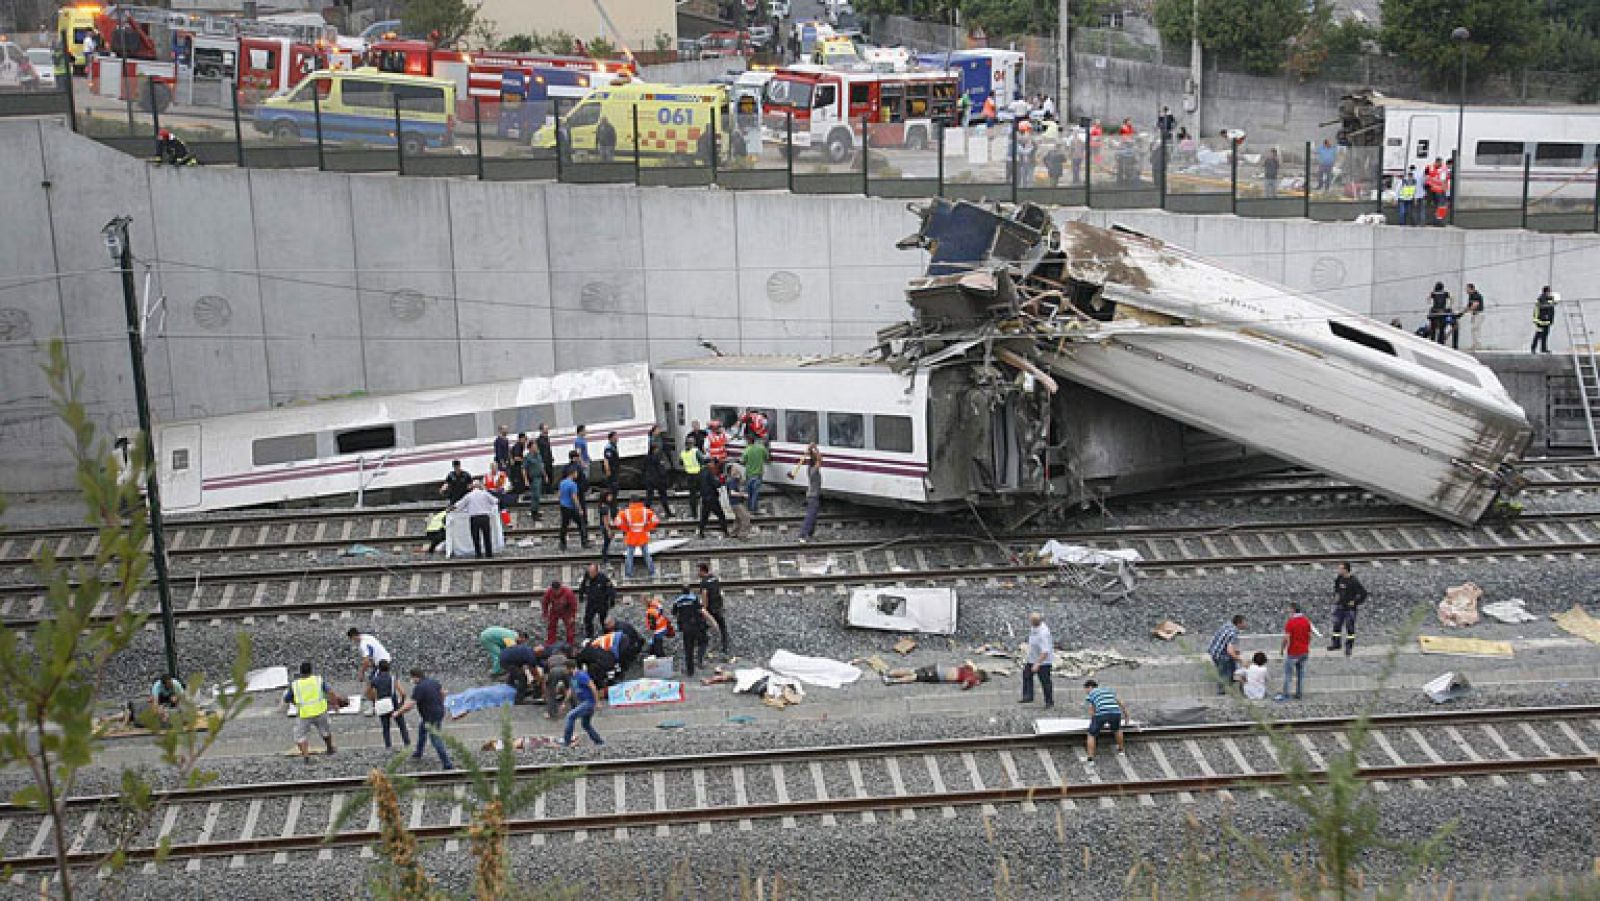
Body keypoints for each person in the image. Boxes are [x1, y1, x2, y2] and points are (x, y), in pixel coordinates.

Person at [396, 668, 452, 769]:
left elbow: (410, 705)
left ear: (415, 677)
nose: (411, 680)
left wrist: (398, 712)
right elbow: (443, 693)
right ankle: (418, 752)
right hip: (438, 712)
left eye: (412, 678)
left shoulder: (419, 688)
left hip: (430, 716)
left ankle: (447, 764)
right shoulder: (434, 682)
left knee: (435, 739)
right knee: (422, 729)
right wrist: (440, 704)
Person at [282, 661, 337, 762]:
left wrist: (295, 702)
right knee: (325, 731)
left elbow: (287, 698)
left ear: (300, 672)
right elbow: (330, 692)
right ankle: (330, 748)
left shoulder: (295, 685)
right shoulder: (318, 680)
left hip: (304, 714)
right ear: (311, 671)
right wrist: (335, 704)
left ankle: (306, 756)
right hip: (320, 711)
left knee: (300, 736)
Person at [561, 661, 605, 748]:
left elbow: (593, 687)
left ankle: (567, 742)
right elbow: (571, 690)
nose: (565, 671)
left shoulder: (581, 675)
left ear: (570, 668)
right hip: (584, 702)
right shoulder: (572, 677)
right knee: (585, 724)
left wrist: (597, 702)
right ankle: (599, 742)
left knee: (570, 716)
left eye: (565, 669)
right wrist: (564, 702)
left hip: (588, 702)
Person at [1328, 561, 1368, 656]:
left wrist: (1355, 602)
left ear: (1346, 570)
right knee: (1336, 626)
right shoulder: (1339, 578)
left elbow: (1363, 593)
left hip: (1350, 609)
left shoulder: (1353, 581)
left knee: (1350, 628)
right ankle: (1336, 643)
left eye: (1341, 568)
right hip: (1340, 607)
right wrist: (1336, 596)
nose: (1339, 570)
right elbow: (1336, 588)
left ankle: (1349, 647)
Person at [1275, 603, 1313, 701]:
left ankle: (1286, 695)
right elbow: (1310, 636)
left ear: (1293, 609)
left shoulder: (1291, 622)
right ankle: (1299, 694)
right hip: (1304, 651)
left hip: (1293, 652)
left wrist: (1282, 649)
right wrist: (1306, 645)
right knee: (1300, 674)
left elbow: (1286, 638)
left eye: (1289, 609)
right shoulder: (1306, 621)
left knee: (1288, 674)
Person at [370, 659, 410, 749]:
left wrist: (374, 702)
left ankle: (388, 746)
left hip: (382, 703)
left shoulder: (375, 680)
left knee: (385, 728)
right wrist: (401, 703)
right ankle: (407, 743)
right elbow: (403, 693)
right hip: (393, 703)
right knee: (402, 725)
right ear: (388, 668)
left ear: (379, 669)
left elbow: (371, 694)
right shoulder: (392, 679)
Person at [1081, 680, 1125, 764]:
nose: (1086, 692)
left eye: (1086, 690)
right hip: (1115, 712)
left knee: (1091, 734)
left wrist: (1093, 722)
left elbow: (1092, 709)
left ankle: (1090, 758)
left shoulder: (1092, 693)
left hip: (1101, 714)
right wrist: (1126, 714)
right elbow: (1119, 701)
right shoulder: (1108, 690)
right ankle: (1121, 750)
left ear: (1090, 687)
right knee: (1117, 729)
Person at [671, 586, 711, 675]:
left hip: (685, 628)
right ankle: (699, 659)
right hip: (696, 626)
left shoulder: (677, 601)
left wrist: (682, 617)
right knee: (704, 641)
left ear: (681, 592)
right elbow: (701, 610)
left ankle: (690, 671)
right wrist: (712, 622)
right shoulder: (694, 598)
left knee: (688, 649)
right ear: (690, 591)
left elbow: (674, 613)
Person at [615, 498, 660, 578]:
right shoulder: (646, 511)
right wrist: (647, 528)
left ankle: (628, 574)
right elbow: (655, 520)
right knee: (646, 555)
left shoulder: (626, 512)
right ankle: (652, 572)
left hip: (631, 536)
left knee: (629, 556)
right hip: (642, 535)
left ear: (631, 502)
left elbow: (617, 522)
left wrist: (626, 529)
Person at [455, 477, 498, 558]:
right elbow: (495, 501)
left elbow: (459, 505)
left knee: (476, 537)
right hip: (485, 517)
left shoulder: (469, 495)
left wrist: (451, 508)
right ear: (480, 486)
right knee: (487, 536)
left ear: (473, 486)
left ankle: (478, 554)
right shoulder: (485, 494)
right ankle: (489, 554)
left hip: (474, 518)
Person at [695, 561, 731, 652]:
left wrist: (704, 608)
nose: (697, 573)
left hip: (711, 608)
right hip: (718, 606)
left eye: (698, 571)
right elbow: (720, 592)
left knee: (704, 625)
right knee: (722, 626)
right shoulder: (715, 578)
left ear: (703, 571)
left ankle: (705, 645)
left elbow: (705, 594)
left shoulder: (704, 582)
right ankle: (725, 646)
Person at [347, 628, 391, 701]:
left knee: (372, 684)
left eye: (352, 639)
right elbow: (374, 650)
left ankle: (376, 702)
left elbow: (366, 661)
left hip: (382, 663)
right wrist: (372, 663)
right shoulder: (368, 636)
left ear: (354, 636)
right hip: (384, 659)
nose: (353, 641)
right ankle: (375, 700)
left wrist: (361, 673)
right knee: (372, 683)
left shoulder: (363, 644)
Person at [1019, 612, 1053, 707]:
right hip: (1032, 658)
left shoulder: (1043, 634)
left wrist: (1038, 663)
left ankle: (1049, 701)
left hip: (1043, 662)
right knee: (1026, 675)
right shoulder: (1034, 628)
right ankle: (1028, 696)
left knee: (1045, 681)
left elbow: (1045, 651)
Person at [1208, 615, 1245, 695]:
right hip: (1221, 655)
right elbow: (1230, 651)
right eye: (1244, 623)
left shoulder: (1227, 625)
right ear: (1239, 623)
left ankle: (1232, 686)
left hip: (1214, 651)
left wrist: (1234, 651)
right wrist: (1240, 660)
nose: (1245, 624)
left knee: (1232, 670)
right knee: (1224, 674)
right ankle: (1222, 693)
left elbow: (1225, 642)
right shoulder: (1233, 632)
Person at [793, 443, 823, 542]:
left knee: (813, 516)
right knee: (810, 516)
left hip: (811, 495)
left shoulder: (809, 468)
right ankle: (802, 535)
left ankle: (810, 534)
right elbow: (820, 459)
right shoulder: (814, 471)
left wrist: (810, 450)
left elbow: (816, 459)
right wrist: (815, 448)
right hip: (813, 496)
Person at [578, 564, 616, 639]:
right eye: (589, 572)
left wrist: (612, 600)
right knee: (587, 619)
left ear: (596, 572)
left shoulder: (603, 578)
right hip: (591, 602)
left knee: (603, 620)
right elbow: (582, 586)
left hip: (602, 603)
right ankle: (589, 635)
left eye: (592, 572)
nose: (590, 574)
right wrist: (581, 596)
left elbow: (610, 589)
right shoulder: (587, 577)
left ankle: (607, 635)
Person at [498, 635, 541, 704]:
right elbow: (533, 671)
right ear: (538, 653)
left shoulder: (528, 649)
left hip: (504, 656)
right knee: (522, 678)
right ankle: (519, 700)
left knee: (516, 672)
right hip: (507, 661)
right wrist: (538, 680)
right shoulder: (531, 655)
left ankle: (511, 685)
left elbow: (524, 666)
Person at [643, 426, 674, 518]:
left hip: (650, 479)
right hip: (658, 479)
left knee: (649, 497)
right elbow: (660, 469)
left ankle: (645, 513)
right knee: (663, 496)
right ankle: (668, 512)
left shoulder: (648, 457)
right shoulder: (657, 458)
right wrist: (664, 476)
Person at [884, 662, 986, 689]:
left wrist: (973, 668)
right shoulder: (972, 676)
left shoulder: (970, 671)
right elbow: (964, 686)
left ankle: (890, 675)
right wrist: (972, 683)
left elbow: (967, 662)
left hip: (938, 670)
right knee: (915, 674)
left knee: (914, 673)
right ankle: (891, 678)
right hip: (939, 674)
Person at [697, 459, 729, 538]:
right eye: (713, 463)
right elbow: (716, 484)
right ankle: (726, 532)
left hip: (704, 497)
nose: (714, 465)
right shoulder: (709, 473)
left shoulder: (701, 472)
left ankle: (701, 533)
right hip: (712, 498)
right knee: (721, 515)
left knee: (704, 517)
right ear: (709, 464)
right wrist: (722, 480)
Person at [557, 469, 588, 550]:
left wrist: (561, 502)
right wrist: (580, 508)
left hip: (563, 507)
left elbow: (559, 494)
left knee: (564, 525)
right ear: (572, 474)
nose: (577, 475)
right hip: (571, 507)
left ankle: (562, 544)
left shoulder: (562, 482)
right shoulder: (573, 484)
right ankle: (584, 542)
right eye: (576, 473)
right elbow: (574, 498)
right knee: (581, 524)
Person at [542, 580, 579, 646]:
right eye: (554, 591)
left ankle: (570, 642)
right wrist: (545, 614)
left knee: (570, 626)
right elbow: (545, 603)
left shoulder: (568, 593)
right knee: (551, 625)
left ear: (560, 588)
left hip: (566, 611)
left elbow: (573, 605)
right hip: (554, 610)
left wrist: (572, 616)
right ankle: (551, 641)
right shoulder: (549, 592)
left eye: (557, 591)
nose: (556, 593)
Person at [679, 434, 705, 520]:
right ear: (693, 443)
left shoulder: (683, 453)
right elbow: (702, 460)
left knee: (692, 495)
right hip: (698, 475)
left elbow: (681, 463)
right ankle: (704, 512)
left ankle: (694, 514)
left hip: (689, 475)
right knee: (703, 493)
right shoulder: (696, 451)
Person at [741, 436, 769, 514]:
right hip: (758, 474)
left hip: (749, 474)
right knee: (755, 493)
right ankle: (753, 509)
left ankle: (749, 508)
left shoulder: (747, 450)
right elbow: (767, 458)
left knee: (749, 492)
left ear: (748, 441)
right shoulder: (761, 448)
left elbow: (742, 462)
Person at [523, 440, 546, 523]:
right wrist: (526, 480)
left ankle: (536, 510)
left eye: (536, 446)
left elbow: (541, 466)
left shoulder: (538, 455)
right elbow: (524, 469)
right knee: (535, 496)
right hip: (533, 478)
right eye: (534, 446)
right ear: (530, 448)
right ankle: (534, 513)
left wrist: (545, 475)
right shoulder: (527, 457)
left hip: (539, 477)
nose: (536, 447)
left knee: (538, 495)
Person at [596, 488, 618, 567]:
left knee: (607, 542)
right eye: (609, 496)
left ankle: (605, 555)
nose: (611, 497)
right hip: (606, 526)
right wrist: (608, 530)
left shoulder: (604, 506)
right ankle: (605, 558)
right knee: (606, 542)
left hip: (606, 526)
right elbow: (605, 520)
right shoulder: (605, 508)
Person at [1532, 286, 1557, 353]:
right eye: (1549, 292)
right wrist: (1551, 304)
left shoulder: (1549, 299)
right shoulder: (1541, 298)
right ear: (1546, 292)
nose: (1550, 293)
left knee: (1545, 335)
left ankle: (1543, 348)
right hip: (1541, 321)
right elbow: (1543, 307)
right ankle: (1533, 348)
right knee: (1538, 334)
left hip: (1546, 321)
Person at [1464, 283, 1486, 351]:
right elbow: (1468, 306)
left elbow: (1475, 305)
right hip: (1474, 314)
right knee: (1475, 330)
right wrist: (1463, 312)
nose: (1466, 290)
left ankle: (1477, 345)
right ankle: (1475, 345)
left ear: (1472, 289)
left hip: (1479, 314)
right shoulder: (1470, 296)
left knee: (1475, 329)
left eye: (1467, 289)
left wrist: (1468, 310)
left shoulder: (1476, 295)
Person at [535, 423, 555, 487]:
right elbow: (538, 452)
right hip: (543, 462)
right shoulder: (539, 440)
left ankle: (550, 488)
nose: (547, 430)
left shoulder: (547, 439)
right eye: (546, 429)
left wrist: (551, 456)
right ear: (541, 430)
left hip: (549, 461)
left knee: (550, 476)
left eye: (547, 428)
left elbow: (548, 450)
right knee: (545, 477)